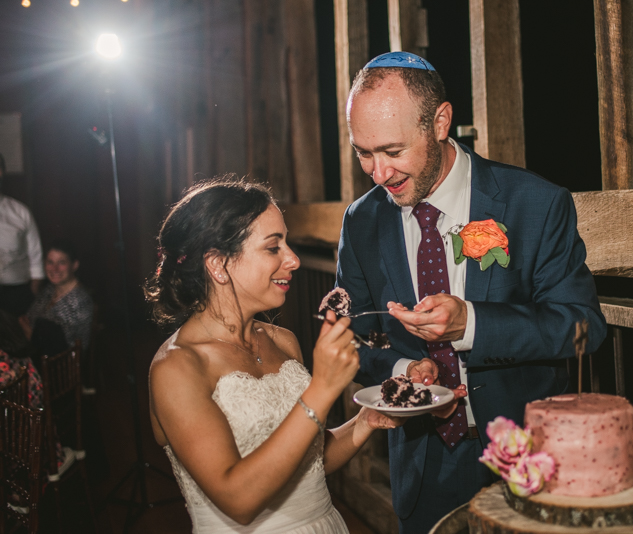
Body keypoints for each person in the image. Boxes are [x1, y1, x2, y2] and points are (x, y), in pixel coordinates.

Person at [336, 51, 608, 532]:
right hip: (422, 463)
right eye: (364, 152)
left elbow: (582, 325)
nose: (378, 174)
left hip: (529, 458)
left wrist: (473, 325)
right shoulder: (362, 221)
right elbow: (348, 338)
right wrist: (402, 370)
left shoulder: (536, 203)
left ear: (440, 122)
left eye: (393, 151)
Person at [145, 175, 402, 533]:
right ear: (218, 264)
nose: (293, 260)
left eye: (288, 244)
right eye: (273, 247)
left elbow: (306, 459)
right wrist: (323, 388)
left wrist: (366, 422)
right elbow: (238, 500)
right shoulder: (177, 366)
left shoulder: (283, 341)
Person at [22, 240, 93, 356]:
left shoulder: (80, 301)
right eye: (50, 262)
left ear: (74, 265)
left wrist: (30, 333)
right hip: (38, 355)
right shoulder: (49, 290)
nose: (54, 269)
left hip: (61, 367)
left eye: (61, 262)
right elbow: (28, 318)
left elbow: (64, 348)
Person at [0, 153, 44, 318]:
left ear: (1, 173)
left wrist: (32, 294)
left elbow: (36, 258)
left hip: (17, 294)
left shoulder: (20, 212)